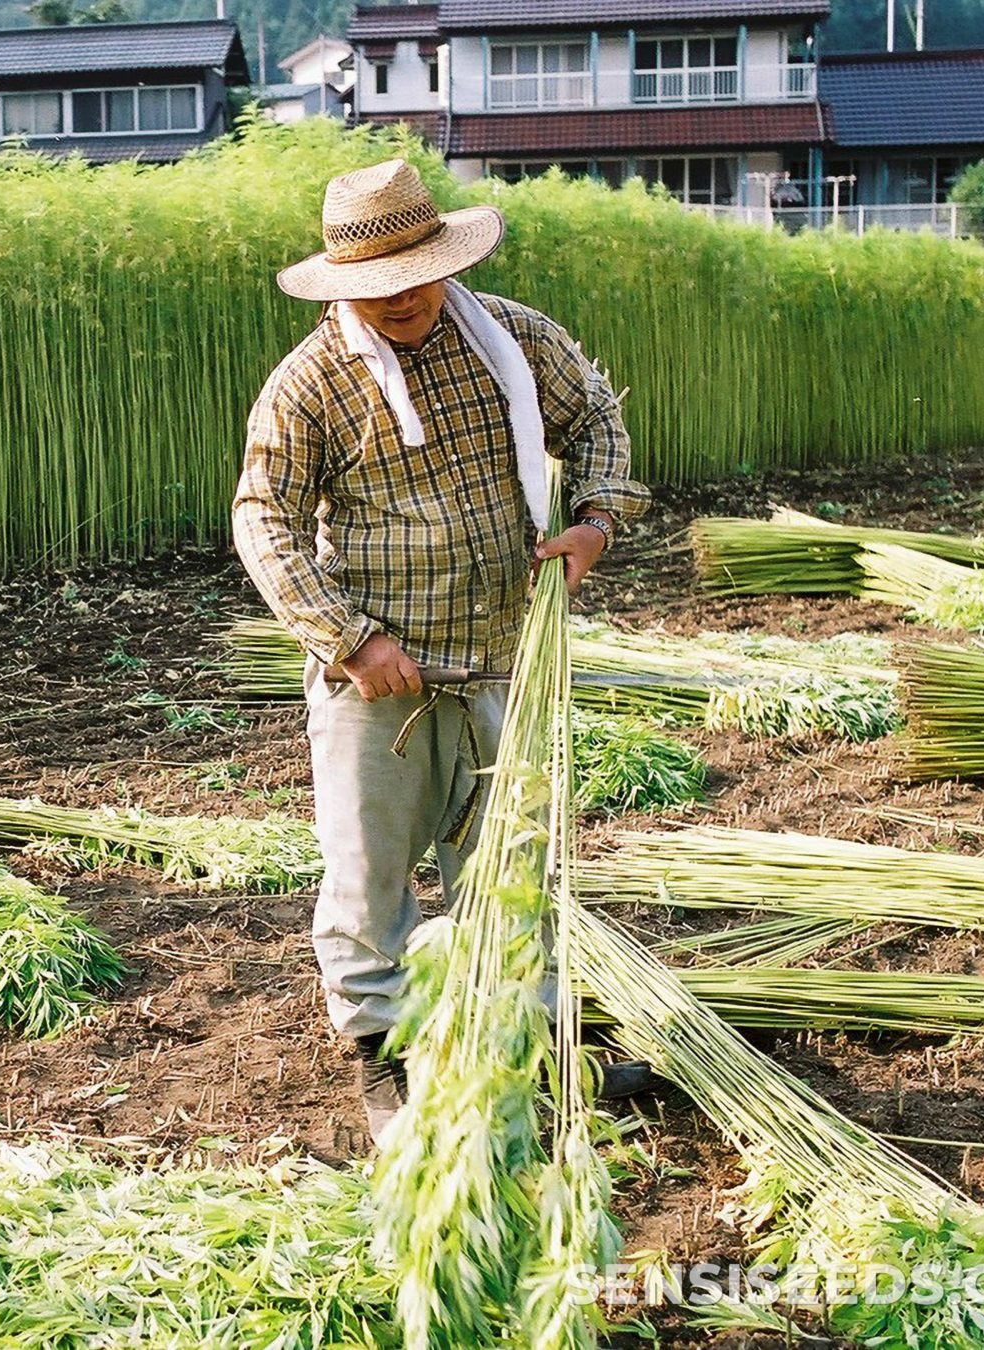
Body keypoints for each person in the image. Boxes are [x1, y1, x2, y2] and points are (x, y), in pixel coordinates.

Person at [230, 159, 656, 1136]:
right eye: (376, 287)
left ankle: (530, 1042)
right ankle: (381, 1055)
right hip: (377, 683)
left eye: (415, 274)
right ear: (347, 287)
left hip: (502, 656)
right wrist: (351, 640)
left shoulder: (510, 339)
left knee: (509, 866)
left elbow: (593, 416)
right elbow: (266, 521)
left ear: (441, 259)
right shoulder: (311, 385)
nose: (401, 299)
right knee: (369, 875)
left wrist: (592, 518)